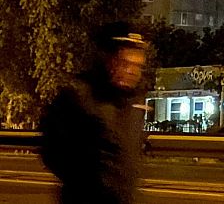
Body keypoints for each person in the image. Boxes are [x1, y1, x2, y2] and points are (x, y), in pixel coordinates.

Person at [40, 22, 148, 204]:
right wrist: (87, 185)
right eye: (124, 63)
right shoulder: (79, 97)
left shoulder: (134, 103)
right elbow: (53, 151)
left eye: (137, 65)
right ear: (107, 58)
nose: (131, 71)